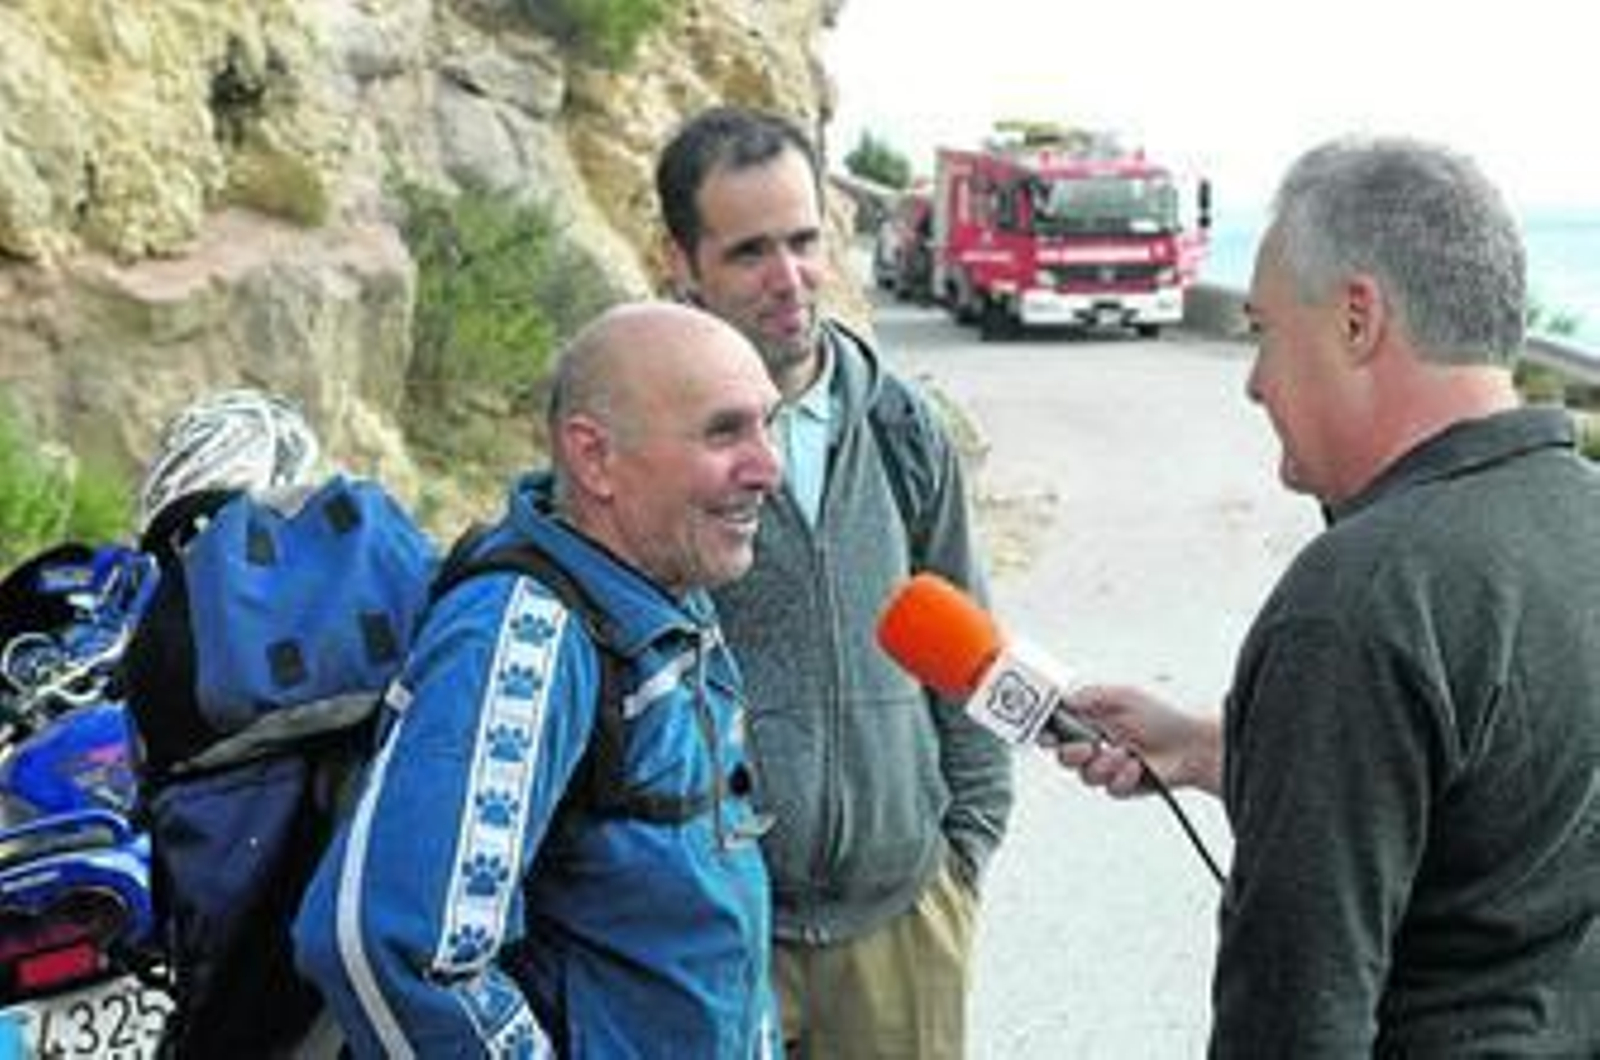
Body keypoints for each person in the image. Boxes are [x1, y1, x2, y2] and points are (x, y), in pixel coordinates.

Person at [1058, 137, 1600, 1056]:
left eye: (1262, 328)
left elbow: (1293, 1022)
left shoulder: (1361, 602)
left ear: (1357, 320)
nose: (1253, 380)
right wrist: (1217, 751)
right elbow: (1499, 805)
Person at [292, 302, 785, 1057]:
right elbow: (390, 945)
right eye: (724, 432)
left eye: (767, 424)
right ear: (594, 459)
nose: (767, 468)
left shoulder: (663, 585)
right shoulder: (521, 639)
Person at [655, 105, 1013, 1059]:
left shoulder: (902, 429)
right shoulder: (644, 447)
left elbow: (971, 657)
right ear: (682, 261)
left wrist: (961, 858)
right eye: (749, 252)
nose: (790, 279)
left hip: (904, 926)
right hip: (717, 938)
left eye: (805, 240)